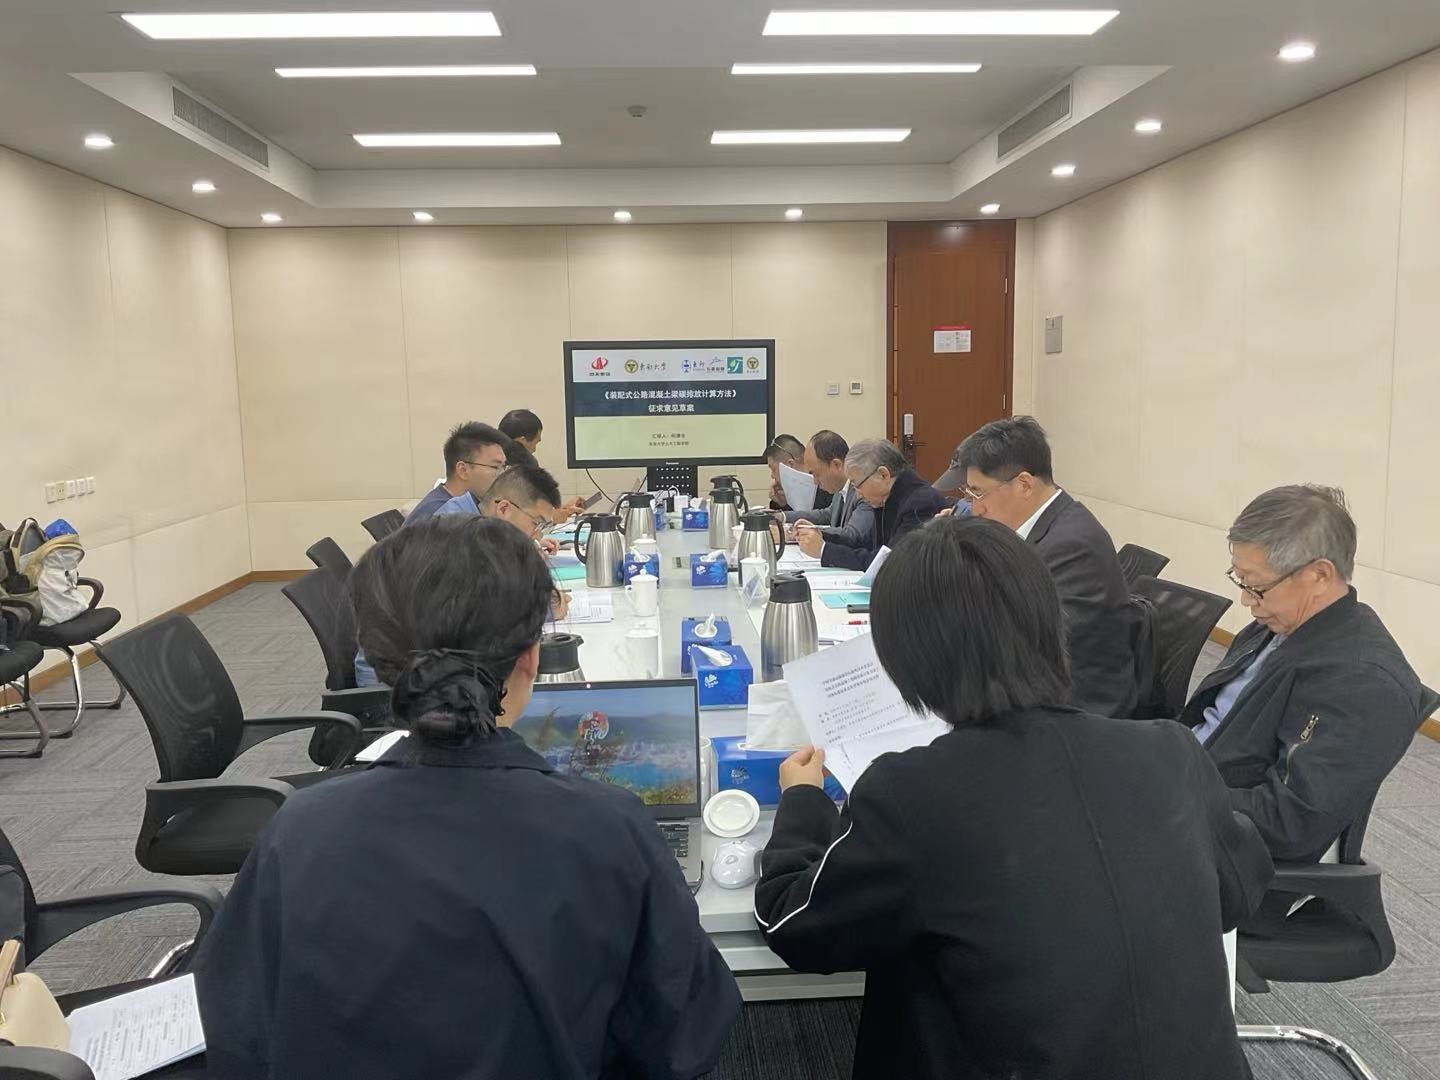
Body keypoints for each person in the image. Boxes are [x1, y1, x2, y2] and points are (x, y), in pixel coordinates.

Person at [196, 517, 739, 1079]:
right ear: (532, 656)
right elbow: (683, 1037)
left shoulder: (300, 830)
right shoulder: (609, 827)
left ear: (379, 663)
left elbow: (233, 1030)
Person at [755, 517, 1273, 1080]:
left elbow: (795, 928)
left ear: (903, 658)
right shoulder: (1170, 751)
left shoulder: (911, 793)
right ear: (1050, 623)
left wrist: (802, 802)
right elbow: (1238, 892)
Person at [1184, 485, 1422, 863]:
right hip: (1191, 784)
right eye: (1240, 580)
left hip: (1218, 847)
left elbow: (1288, 823)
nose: (1246, 599)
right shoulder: (1276, 626)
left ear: (1319, 575)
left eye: (1256, 586)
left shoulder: (1362, 682)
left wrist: (1172, 791)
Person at [956, 416, 1139, 718]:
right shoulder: (1042, 527)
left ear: (1024, 485)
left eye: (978, 493)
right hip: (1038, 687)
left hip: (1077, 709)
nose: (975, 509)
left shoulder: (1071, 545)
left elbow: (1029, 644)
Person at [794, 438, 946, 570]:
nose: (858, 494)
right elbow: (865, 544)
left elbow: (889, 562)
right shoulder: (888, 497)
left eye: (857, 485)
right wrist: (822, 536)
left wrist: (824, 550)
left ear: (883, 475)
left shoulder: (920, 504)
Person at [779, 430, 875, 546]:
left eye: (816, 474)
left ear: (836, 465)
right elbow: (827, 515)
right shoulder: (840, 487)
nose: (815, 482)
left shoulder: (863, 490)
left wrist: (795, 533)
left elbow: (853, 534)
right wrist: (782, 517)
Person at [405, 421, 509, 526]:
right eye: (495, 467)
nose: (503, 475)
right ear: (463, 470)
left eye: (503, 467)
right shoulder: (441, 516)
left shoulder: (469, 506)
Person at [499, 409, 587, 515]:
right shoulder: (517, 471)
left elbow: (534, 511)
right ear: (522, 441)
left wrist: (564, 509)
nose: (534, 450)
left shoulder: (495, 465)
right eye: (536, 443)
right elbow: (531, 518)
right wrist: (562, 512)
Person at [764, 433, 832, 514]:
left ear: (790, 465)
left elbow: (821, 517)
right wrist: (782, 503)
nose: (772, 476)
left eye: (773, 469)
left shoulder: (827, 487)